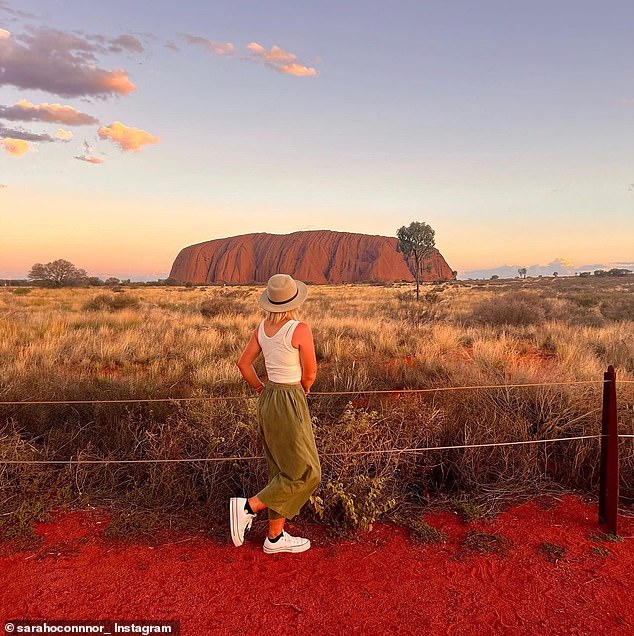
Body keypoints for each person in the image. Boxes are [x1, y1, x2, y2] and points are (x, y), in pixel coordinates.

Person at [232, 273, 321, 554]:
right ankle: (248, 506)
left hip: (269, 397)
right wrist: (304, 389)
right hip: (290, 396)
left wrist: (260, 388)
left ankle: (274, 537)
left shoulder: (261, 328)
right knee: (307, 471)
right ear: (294, 300)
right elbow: (311, 371)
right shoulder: (299, 328)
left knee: (279, 469)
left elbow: (243, 364)